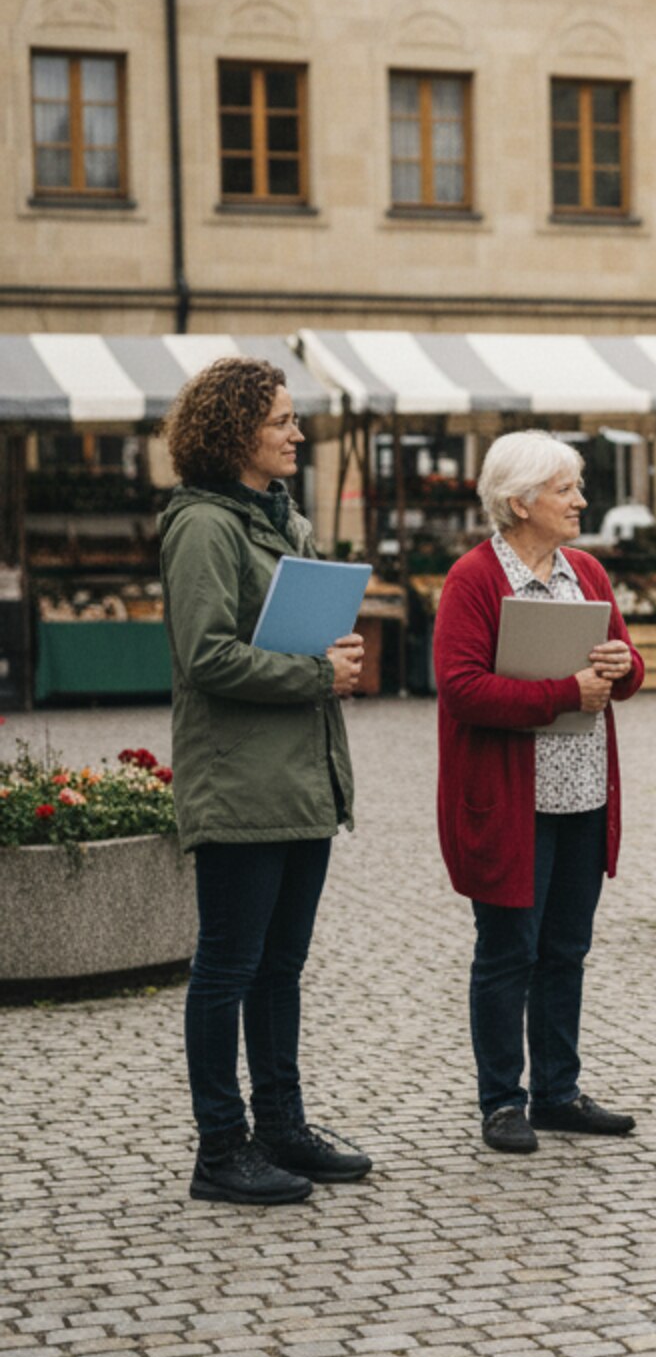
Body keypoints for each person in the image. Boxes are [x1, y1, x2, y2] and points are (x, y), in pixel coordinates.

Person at [159, 357, 368, 1206]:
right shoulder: (204, 526)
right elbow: (205, 656)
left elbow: (296, 631)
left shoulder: (282, 519)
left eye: (292, 418)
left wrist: (334, 655)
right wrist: (317, 674)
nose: (296, 431)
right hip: (239, 781)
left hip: (300, 778)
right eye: (280, 420)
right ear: (235, 430)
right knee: (228, 968)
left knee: (280, 967)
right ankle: (220, 1148)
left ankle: (281, 1125)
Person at [434, 431, 645, 1155]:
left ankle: (558, 1092)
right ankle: (502, 1102)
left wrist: (624, 664)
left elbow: (627, 672)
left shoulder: (585, 571)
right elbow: (462, 690)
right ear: (520, 501)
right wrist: (566, 691)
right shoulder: (473, 580)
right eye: (566, 489)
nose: (581, 500)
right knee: (507, 953)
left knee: (565, 950)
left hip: (582, 795)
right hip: (510, 806)